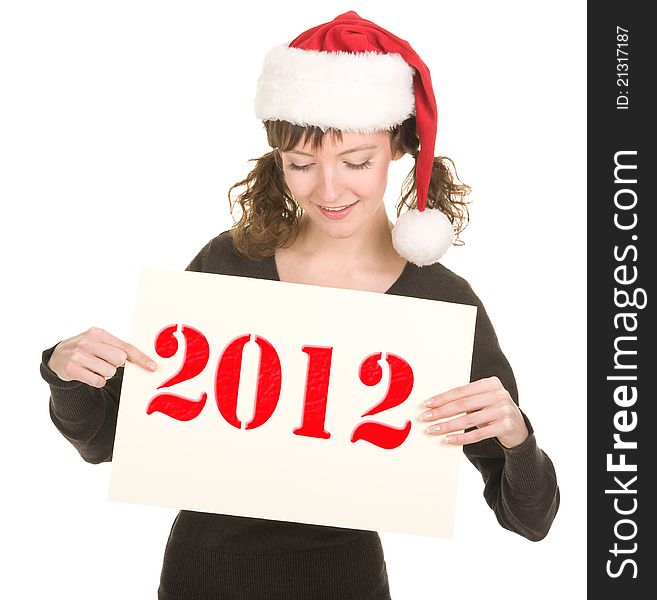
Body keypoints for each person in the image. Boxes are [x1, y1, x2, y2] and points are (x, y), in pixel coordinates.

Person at [39, 10, 559, 600]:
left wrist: (517, 438)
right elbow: (109, 441)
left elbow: (530, 518)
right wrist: (68, 375)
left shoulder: (439, 300)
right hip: (202, 578)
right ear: (278, 160)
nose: (329, 191)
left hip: (345, 583)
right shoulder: (229, 263)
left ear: (399, 150)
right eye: (302, 165)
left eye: (357, 162)